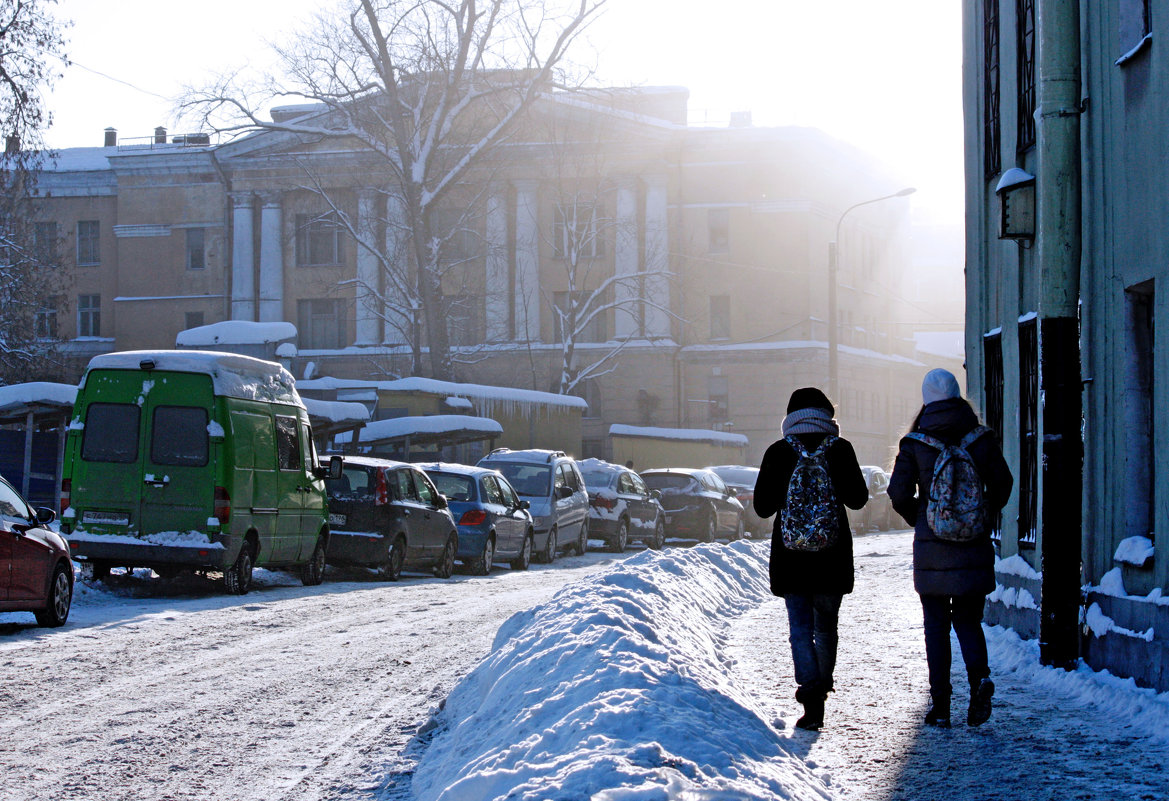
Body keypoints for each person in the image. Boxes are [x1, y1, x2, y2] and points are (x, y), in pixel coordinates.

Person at [888, 368, 1013, 728]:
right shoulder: (981, 438)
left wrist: (923, 519)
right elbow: (1003, 482)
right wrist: (982, 515)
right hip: (973, 546)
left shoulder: (915, 443)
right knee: (970, 622)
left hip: (932, 549)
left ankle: (940, 706)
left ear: (926, 399)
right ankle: (980, 681)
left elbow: (897, 493)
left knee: (935, 626)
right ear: (959, 396)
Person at [754, 387, 867, 730]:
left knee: (799, 630)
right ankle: (822, 686)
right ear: (826, 415)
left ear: (790, 416)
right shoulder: (841, 449)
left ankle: (810, 694)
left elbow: (762, 507)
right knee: (826, 627)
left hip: (792, 561)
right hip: (832, 560)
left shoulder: (778, 451)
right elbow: (859, 499)